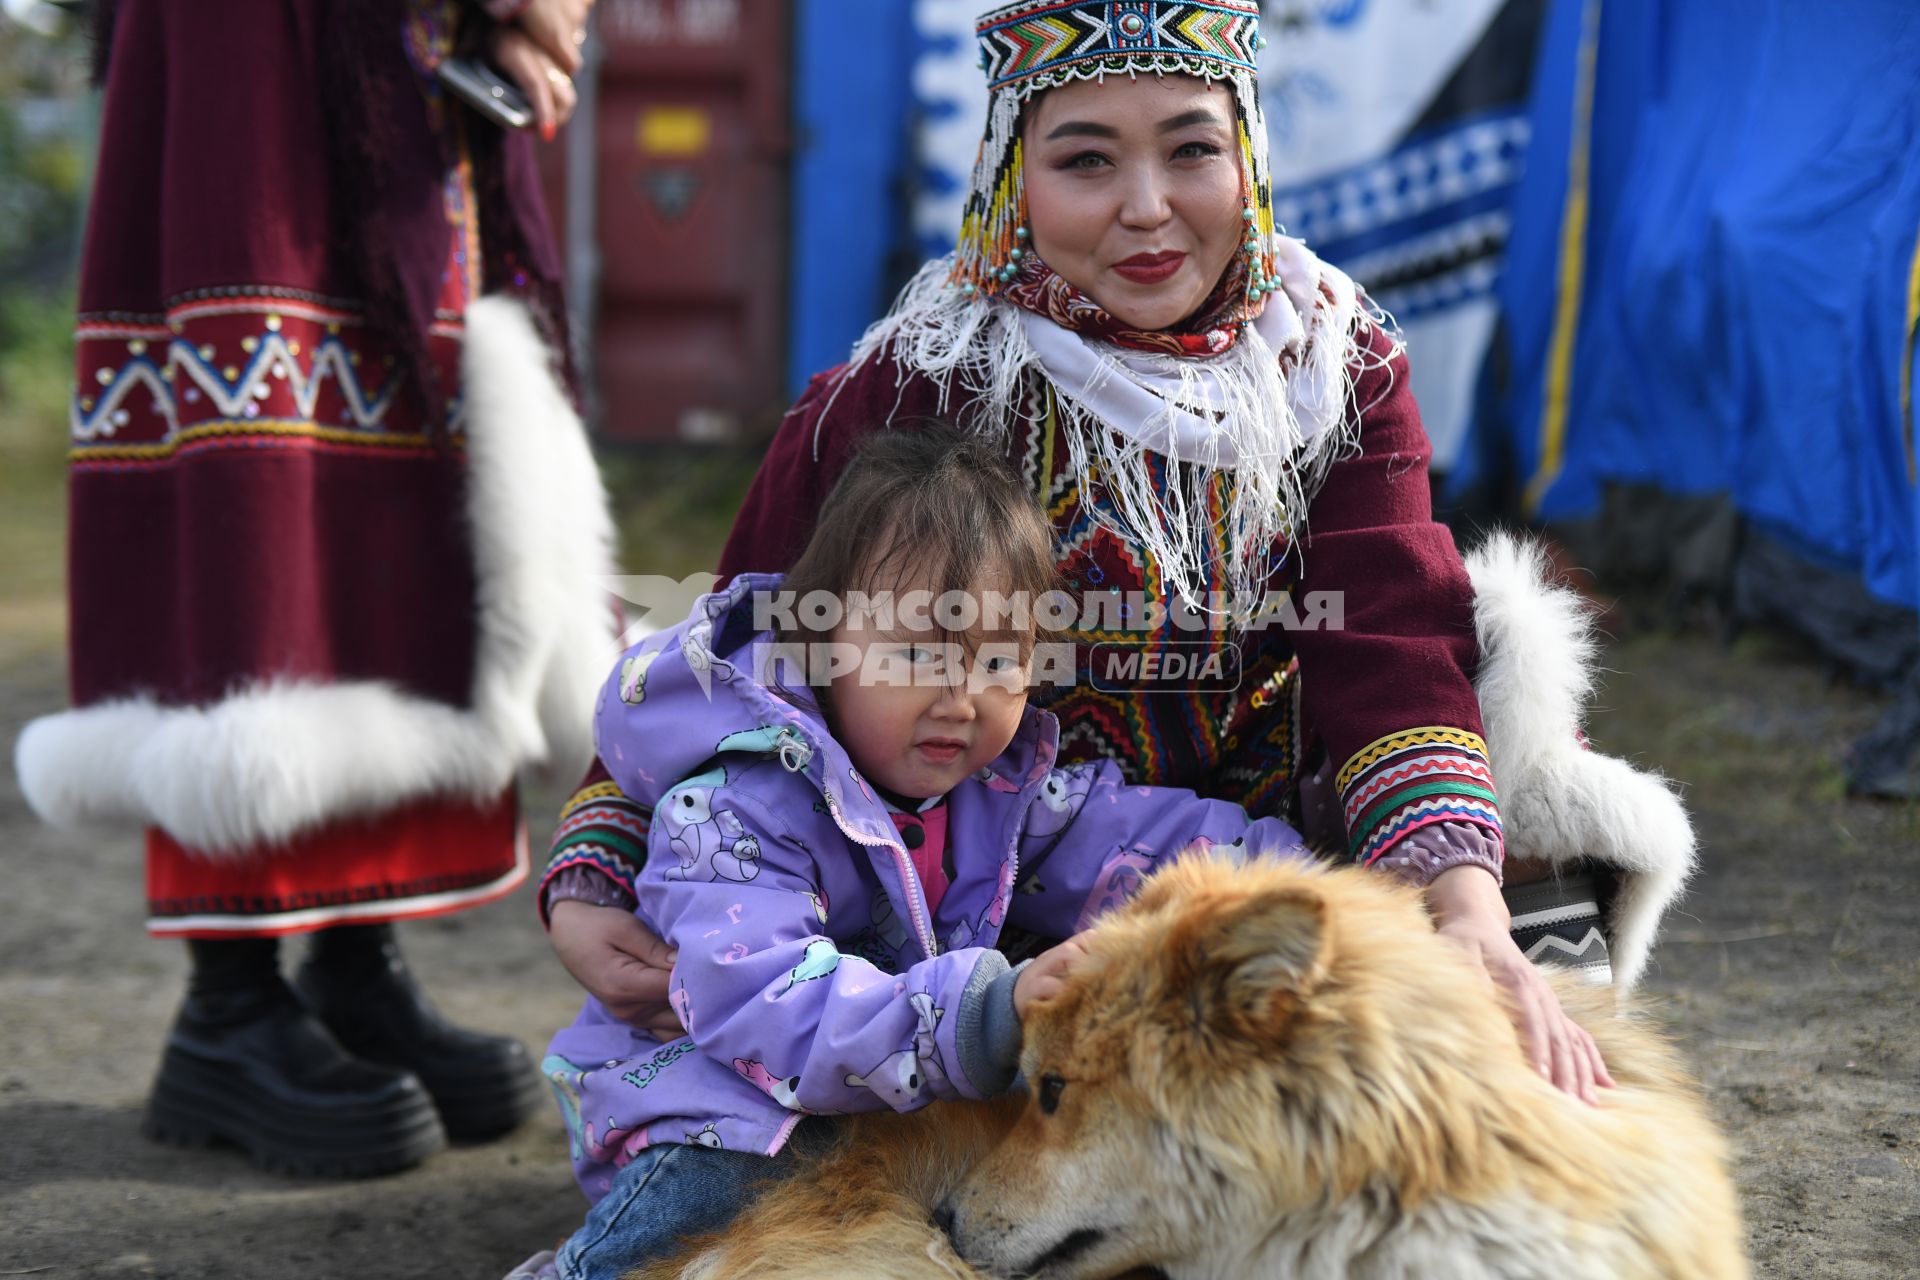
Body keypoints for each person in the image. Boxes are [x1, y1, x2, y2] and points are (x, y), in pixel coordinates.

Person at [541, 0, 1617, 1105]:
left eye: (1194, 149)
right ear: (1015, 175)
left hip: (1266, 849)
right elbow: (737, 651)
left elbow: (1387, 632)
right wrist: (595, 871)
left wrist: (1460, 902)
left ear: (1246, 149)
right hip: (987, 880)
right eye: (1086, 159)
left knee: (1496, 706)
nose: (1147, 210)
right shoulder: (922, 381)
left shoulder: (1330, 366)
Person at [12, 0, 610, 1176]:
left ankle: (350, 966)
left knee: (385, 474)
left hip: (397, 44)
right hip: (249, 40)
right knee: (259, 441)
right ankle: (228, 1003)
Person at [513, 426, 1314, 1279]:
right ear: (822, 647)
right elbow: (770, 1004)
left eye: (998, 662)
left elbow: (1140, 841)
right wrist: (986, 1013)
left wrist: (1299, 882)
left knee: (1010, 1127)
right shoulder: (737, 806)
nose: (960, 700)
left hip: (880, 1081)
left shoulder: (997, 795)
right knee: (735, 1175)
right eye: (918, 654)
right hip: (710, 1094)